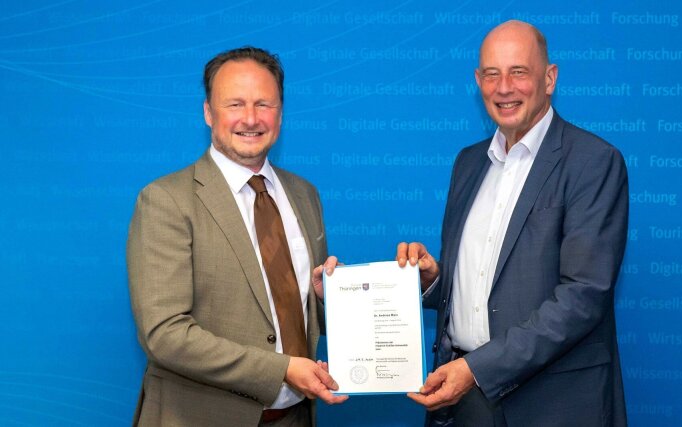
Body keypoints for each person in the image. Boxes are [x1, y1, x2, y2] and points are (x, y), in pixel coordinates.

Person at [318, 19, 628, 426]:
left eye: (518, 72)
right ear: (477, 81)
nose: (503, 87)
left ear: (549, 78)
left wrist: (478, 368)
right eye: (491, 74)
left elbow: (583, 296)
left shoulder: (592, 161)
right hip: (463, 403)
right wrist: (433, 280)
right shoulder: (469, 163)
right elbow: (482, 284)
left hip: (551, 403)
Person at [127, 46, 347, 427]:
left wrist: (325, 300)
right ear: (208, 113)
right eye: (235, 104)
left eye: (264, 104)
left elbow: (294, 317)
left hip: (297, 416)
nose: (250, 118)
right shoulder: (166, 200)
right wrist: (280, 369)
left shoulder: (304, 194)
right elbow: (164, 335)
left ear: (281, 112)